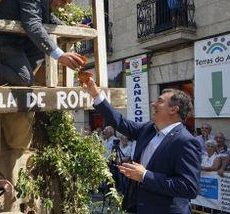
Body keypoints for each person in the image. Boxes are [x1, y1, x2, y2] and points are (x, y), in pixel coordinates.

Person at [81, 78, 201, 214]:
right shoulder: (149, 129)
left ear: (173, 109)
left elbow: (189, 187)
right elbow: (120, 122)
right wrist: (96, 95)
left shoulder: (185, 141)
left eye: (160, 101)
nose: (153, 104)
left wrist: (145, 175)